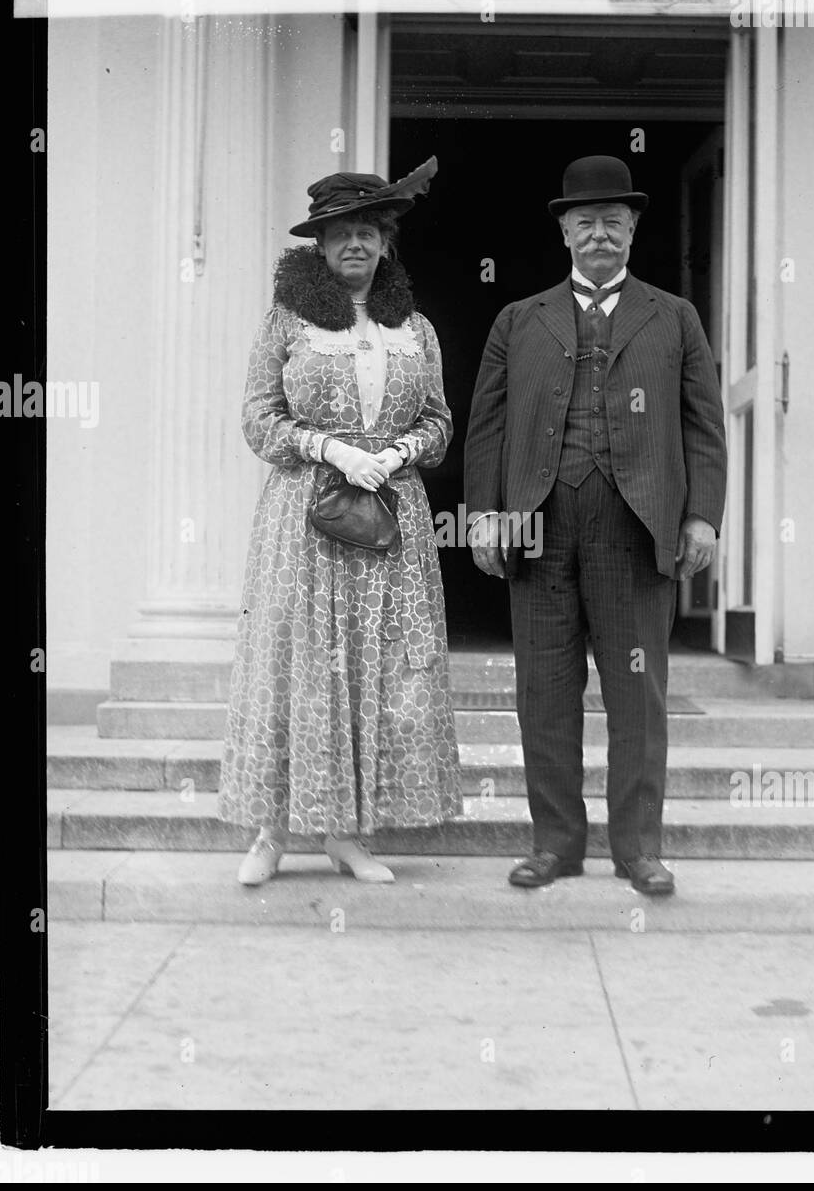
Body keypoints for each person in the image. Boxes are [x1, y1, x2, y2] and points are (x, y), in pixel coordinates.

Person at [464, 155, 727, 896]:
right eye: (586, 222)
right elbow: (486, 427)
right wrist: (484, 514)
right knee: (542, 692)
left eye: (614, 221)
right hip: (539, 529)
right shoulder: (519, 320)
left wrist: (701, 515)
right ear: (565, 233)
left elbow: (703, 425)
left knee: (635, 695)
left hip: (637, 530)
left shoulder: (672, 316)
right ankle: (554, 845)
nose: (600, 234)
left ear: (634, 229)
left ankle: (638, 849)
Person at [219, 158, 463, 885]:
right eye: (340, 234)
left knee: (376, 668)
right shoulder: (288, 322)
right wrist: (326, 448)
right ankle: (270, 831)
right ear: (319, 248)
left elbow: (440, 421)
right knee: (296, 663)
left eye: (368, 231)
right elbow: (259, 416)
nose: (355, 244)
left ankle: (347, 835)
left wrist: (396, 452)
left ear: (385, 244)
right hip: (304, 518)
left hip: (392, 515)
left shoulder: (412, 328)